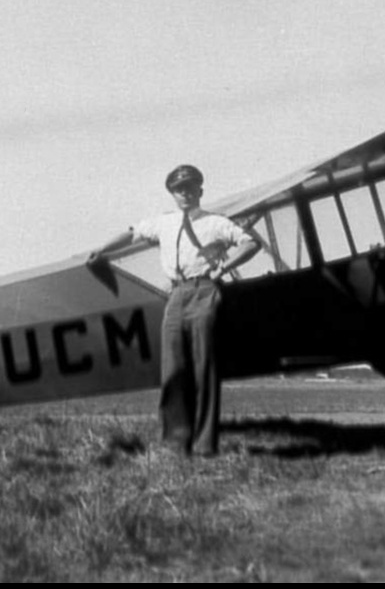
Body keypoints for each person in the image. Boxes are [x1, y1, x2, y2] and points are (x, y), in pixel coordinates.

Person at [88, 164, 259, 456]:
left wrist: (222, 271)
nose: (186, 193)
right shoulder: (163, 222)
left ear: (200, 191)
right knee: (173, 369)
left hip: (204, 290)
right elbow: (132, 233)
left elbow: (251, 242)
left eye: (191, 187)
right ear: (172, 193)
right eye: (180, 189)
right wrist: (102, 250)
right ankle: (175, 444)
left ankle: (205, 446)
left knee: (204, 368)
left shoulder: (216, 223)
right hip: (176, 294)